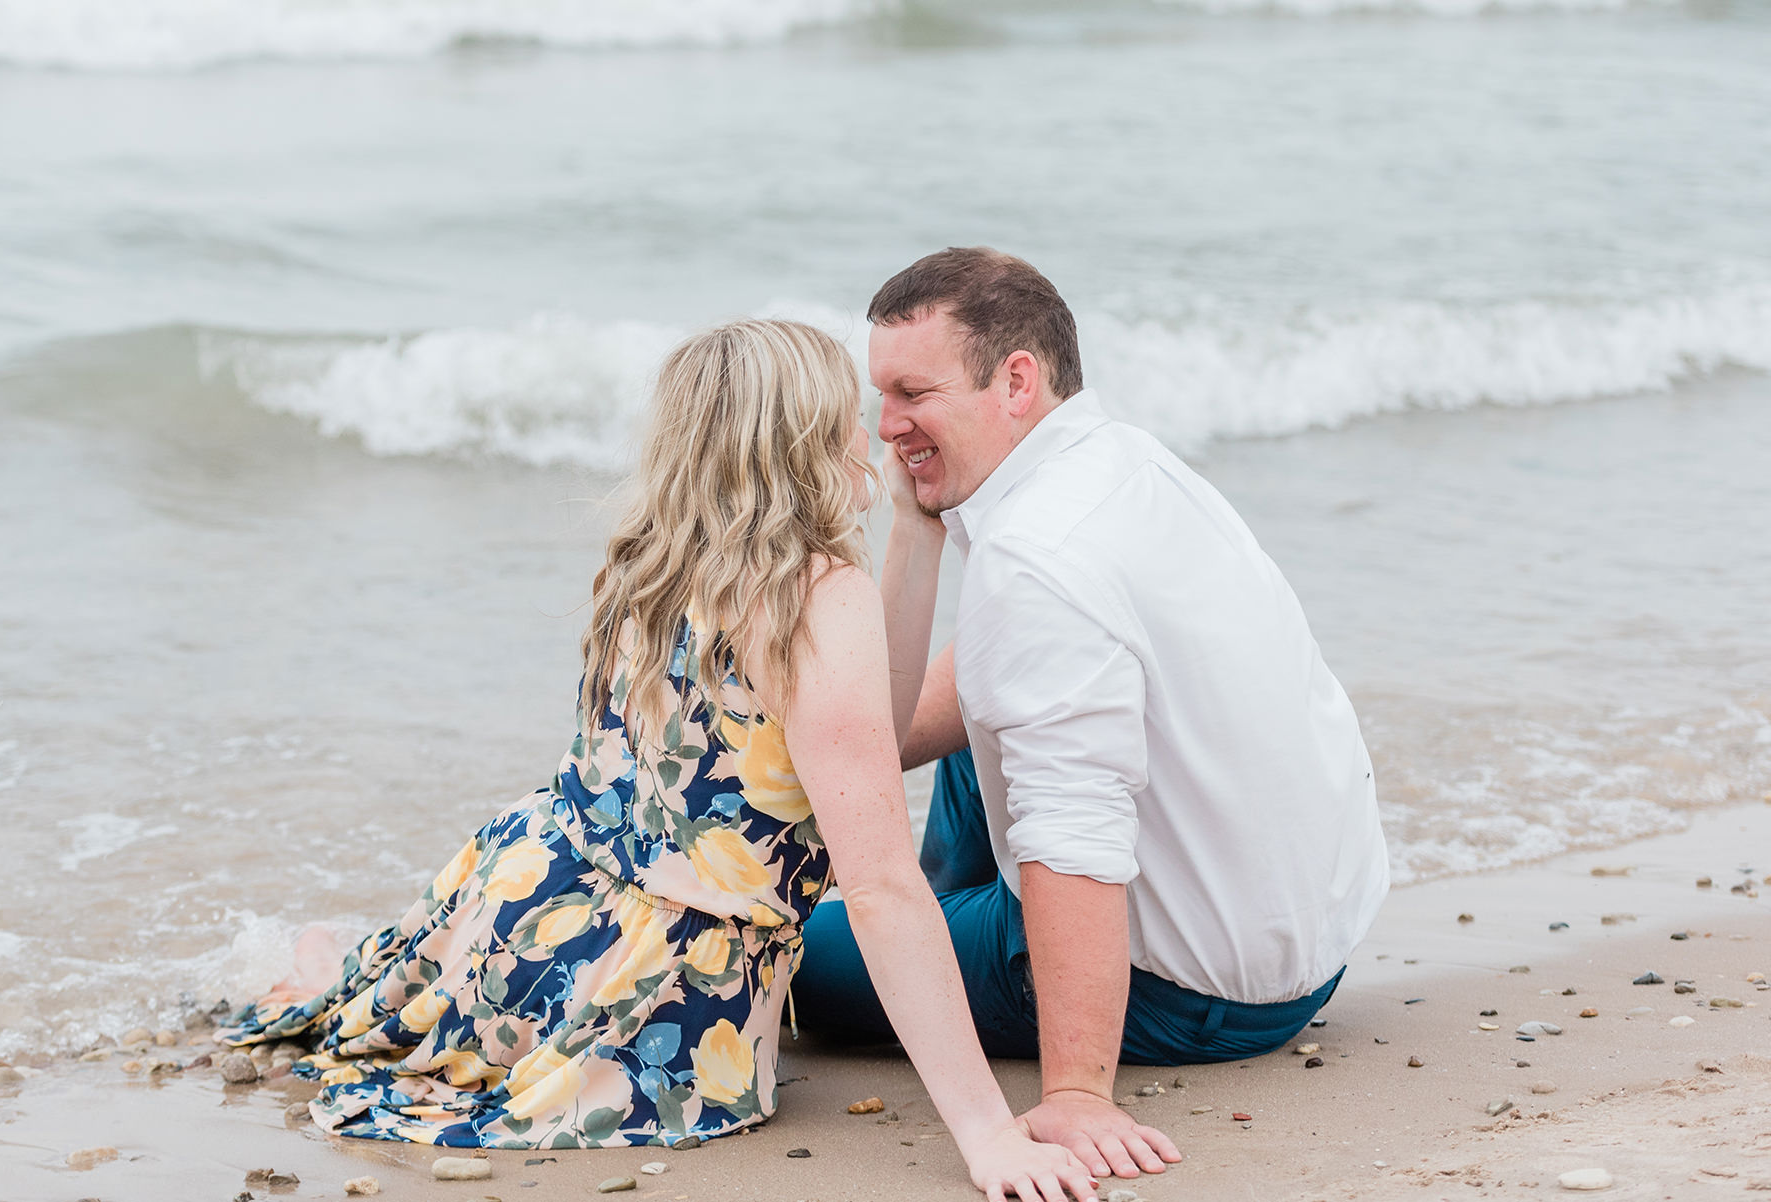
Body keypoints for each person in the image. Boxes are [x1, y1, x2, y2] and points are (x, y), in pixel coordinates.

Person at [219, 319, 1097, 1202]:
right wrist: (988, 1135)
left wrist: (917, 528)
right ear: (802, 441)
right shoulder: (817, 595)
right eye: (846, 416)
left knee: (350, 1008)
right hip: (655, 984)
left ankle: (325, 964)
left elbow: (869, 721)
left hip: (523, 908)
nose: (868, 432)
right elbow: (879, 888)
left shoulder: (656, 565)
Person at [792, 249, 1391, 1182]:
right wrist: (846, 743)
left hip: (1192, 996)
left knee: (797, 961)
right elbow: (986, 685)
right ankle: (949, 920)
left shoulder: (1037, 562)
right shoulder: (1121, 460)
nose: (886, 427)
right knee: (1008, 703)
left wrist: (1077, 1092)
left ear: (1017, 381)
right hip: (1306, 940)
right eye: (881, 395)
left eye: (913, 393)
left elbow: (1076, 831)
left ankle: (952, 948)